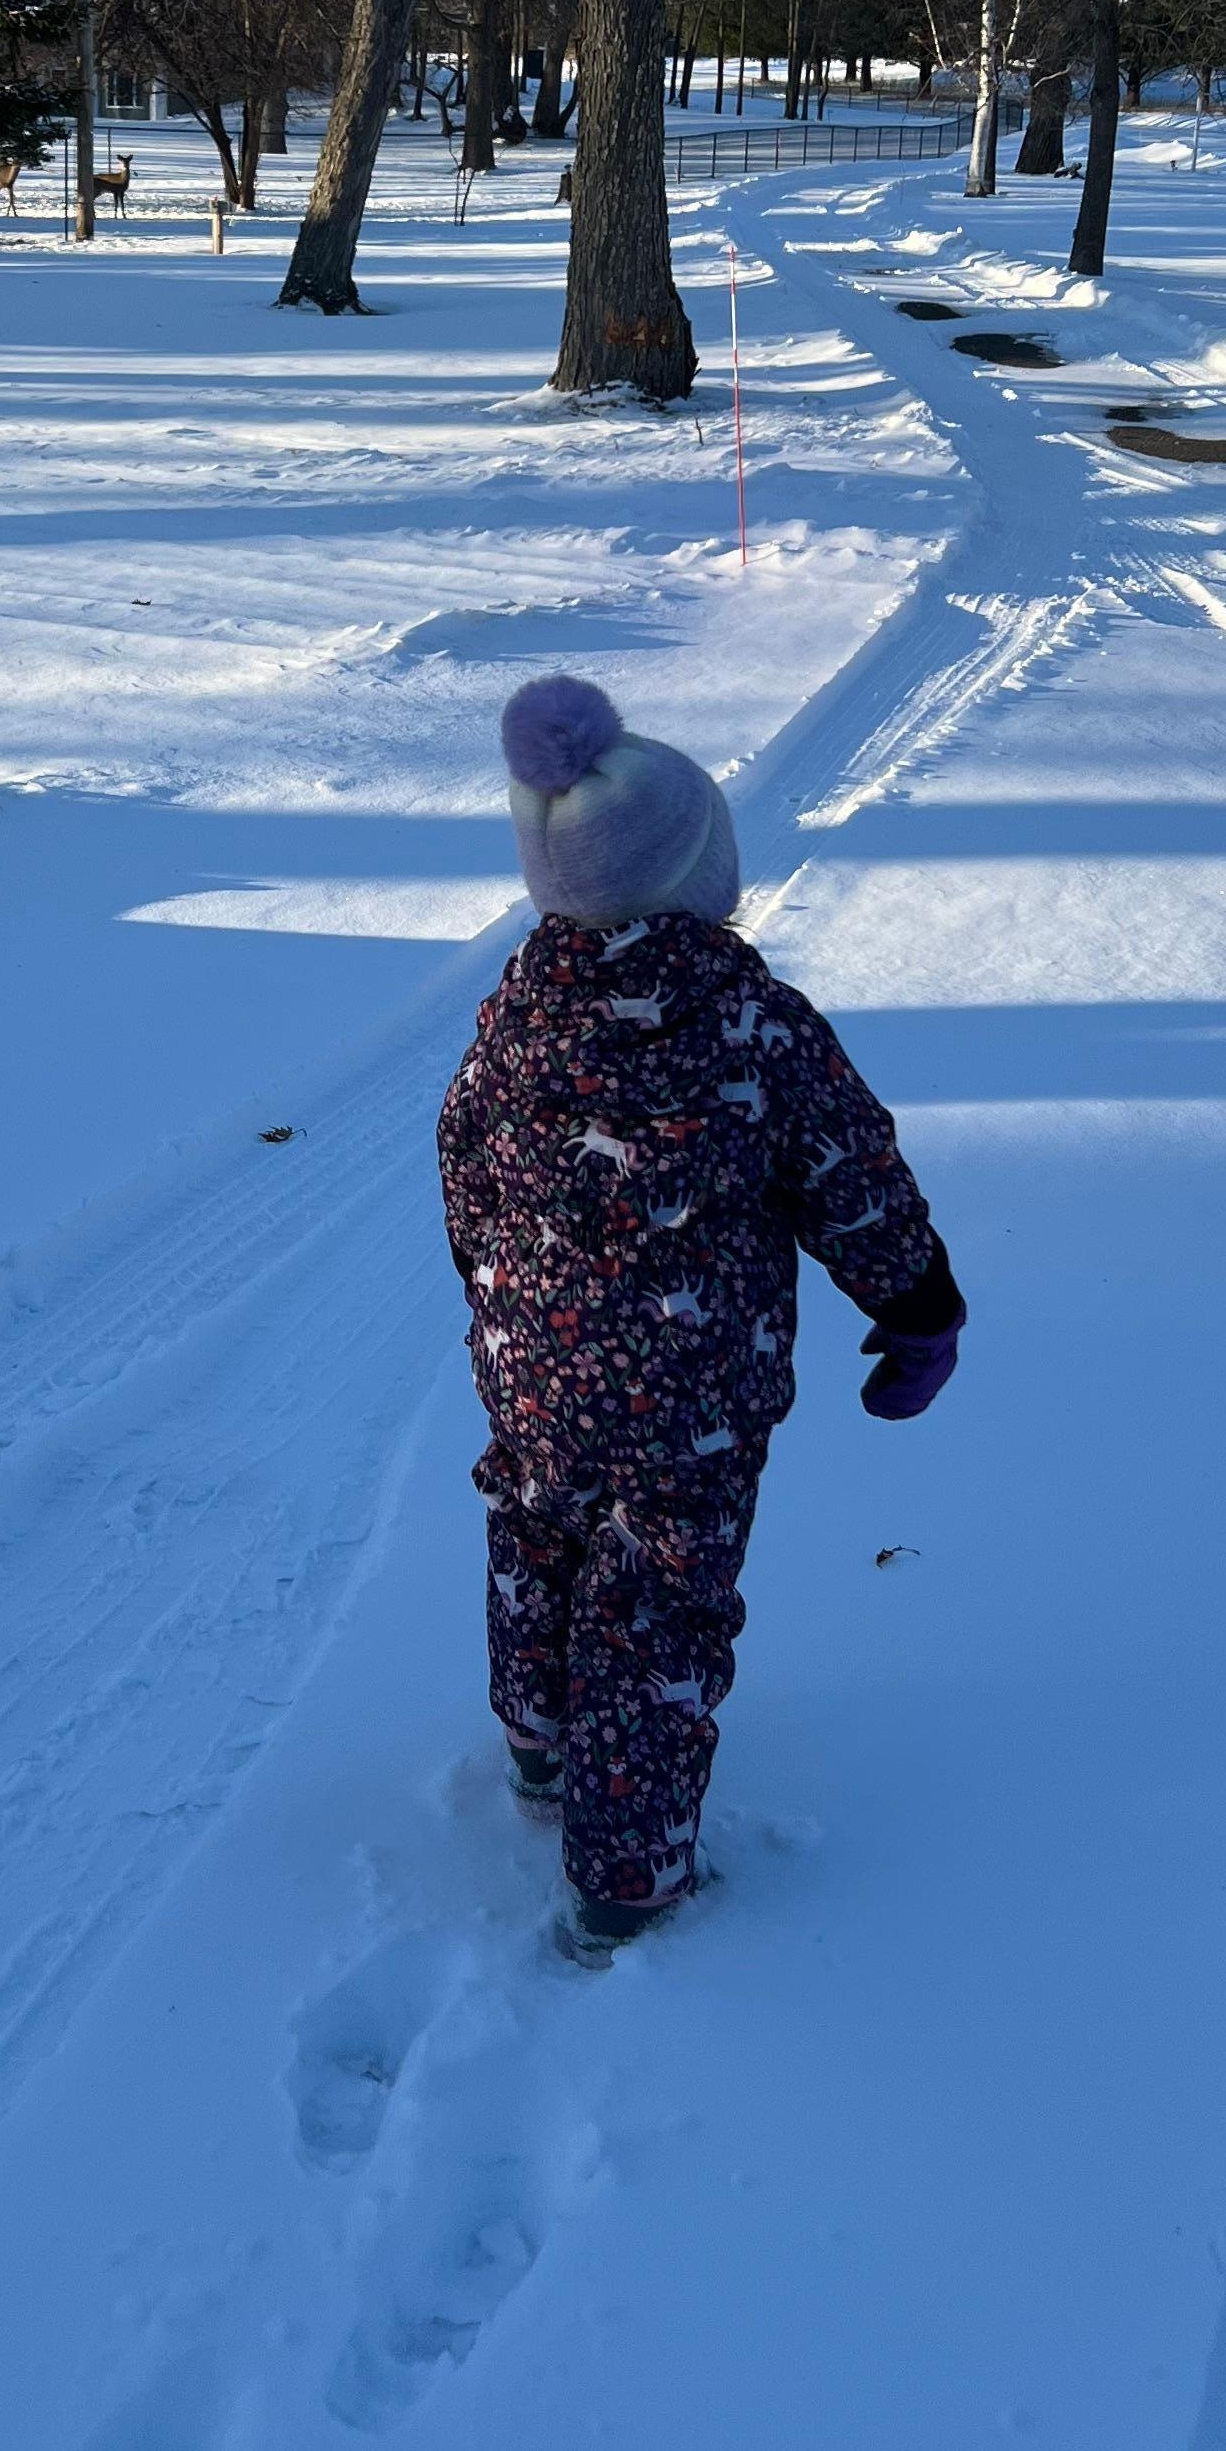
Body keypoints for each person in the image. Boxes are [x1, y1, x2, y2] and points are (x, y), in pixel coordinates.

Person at [436, 673, 964, 1959]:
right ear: (696, 875)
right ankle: (627, 1873)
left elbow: (463, 1156)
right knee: (659, 1605)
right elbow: (850, 1174)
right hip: (692, 1403)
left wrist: (498, 1295)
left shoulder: (517, 1017)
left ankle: (542, 1741)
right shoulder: (752, 1024)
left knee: (536, 1531)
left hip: (537, 1371)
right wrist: (917, 1306)